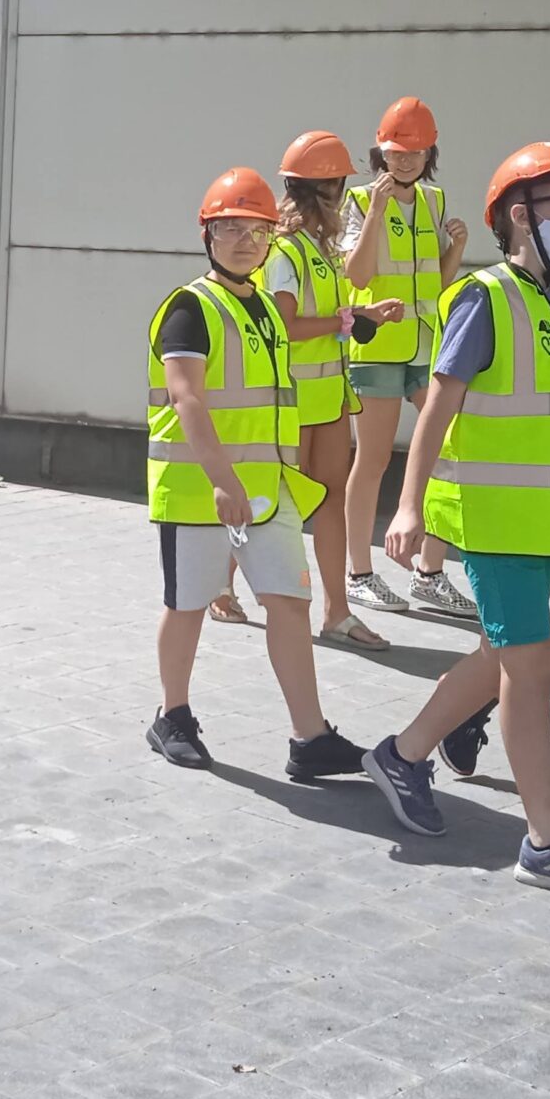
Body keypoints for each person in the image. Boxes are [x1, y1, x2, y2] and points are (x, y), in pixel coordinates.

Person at [363, 142, 550, 903]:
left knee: (502, 656)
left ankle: (402, 755)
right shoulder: (485, 298)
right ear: (521, 215)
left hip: (539, 522)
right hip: (492, 521)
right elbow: (438, 407)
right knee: (524, 668)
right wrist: (408, 505)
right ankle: (548, 841)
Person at [144, 168, 368, 781]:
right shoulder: (189, 307)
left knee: (290, 603)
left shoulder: (266, 308)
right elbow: (187, 398)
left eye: (257, 230)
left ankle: (310, 737)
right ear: (207, 235)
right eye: (231, 229)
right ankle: (172, 716)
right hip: (199, 492)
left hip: (268, 491)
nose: (245, 241)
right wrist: (223, 480)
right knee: (187, 606)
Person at [338, 96, 477, 623]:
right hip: (376, 346)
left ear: (429, 154)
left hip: (426, 345)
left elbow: (436, 285)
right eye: (397, 151)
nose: (405, 161)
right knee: (372, 460)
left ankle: (429, 572)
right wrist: (375, 213)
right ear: (381, 151)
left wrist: (456, 250)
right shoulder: (358, 200)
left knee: (451, 448)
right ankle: (359, 574)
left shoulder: (435, 201)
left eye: (415, 152)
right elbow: (357, 275)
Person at [265, 132, 385, 650]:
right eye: (340, 185)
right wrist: (343, 321)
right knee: (279, 504)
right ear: (328, 190)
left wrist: (361, 315)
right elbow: (287, 326)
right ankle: (227, 585)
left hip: (330, 398)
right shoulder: (284, 251)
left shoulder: (323, 249)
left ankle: (337, 612)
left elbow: (326, 318)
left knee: (328, 500)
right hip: (292, 403)